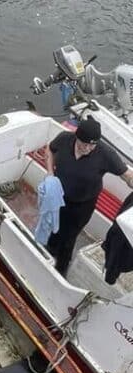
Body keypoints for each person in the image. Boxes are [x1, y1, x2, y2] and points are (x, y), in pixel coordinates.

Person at [45, 117, 133, 275]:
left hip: (82, 205)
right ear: (76, 137)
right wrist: (50, 173)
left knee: (68, 238)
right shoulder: (64, 139)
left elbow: (127, 176)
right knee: (54, 224)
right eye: (84, 144)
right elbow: (50, 150)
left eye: (92, 145)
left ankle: (60, 269)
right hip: (59, 195)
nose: (88, 148)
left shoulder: (106, 154)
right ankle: (48, 250)